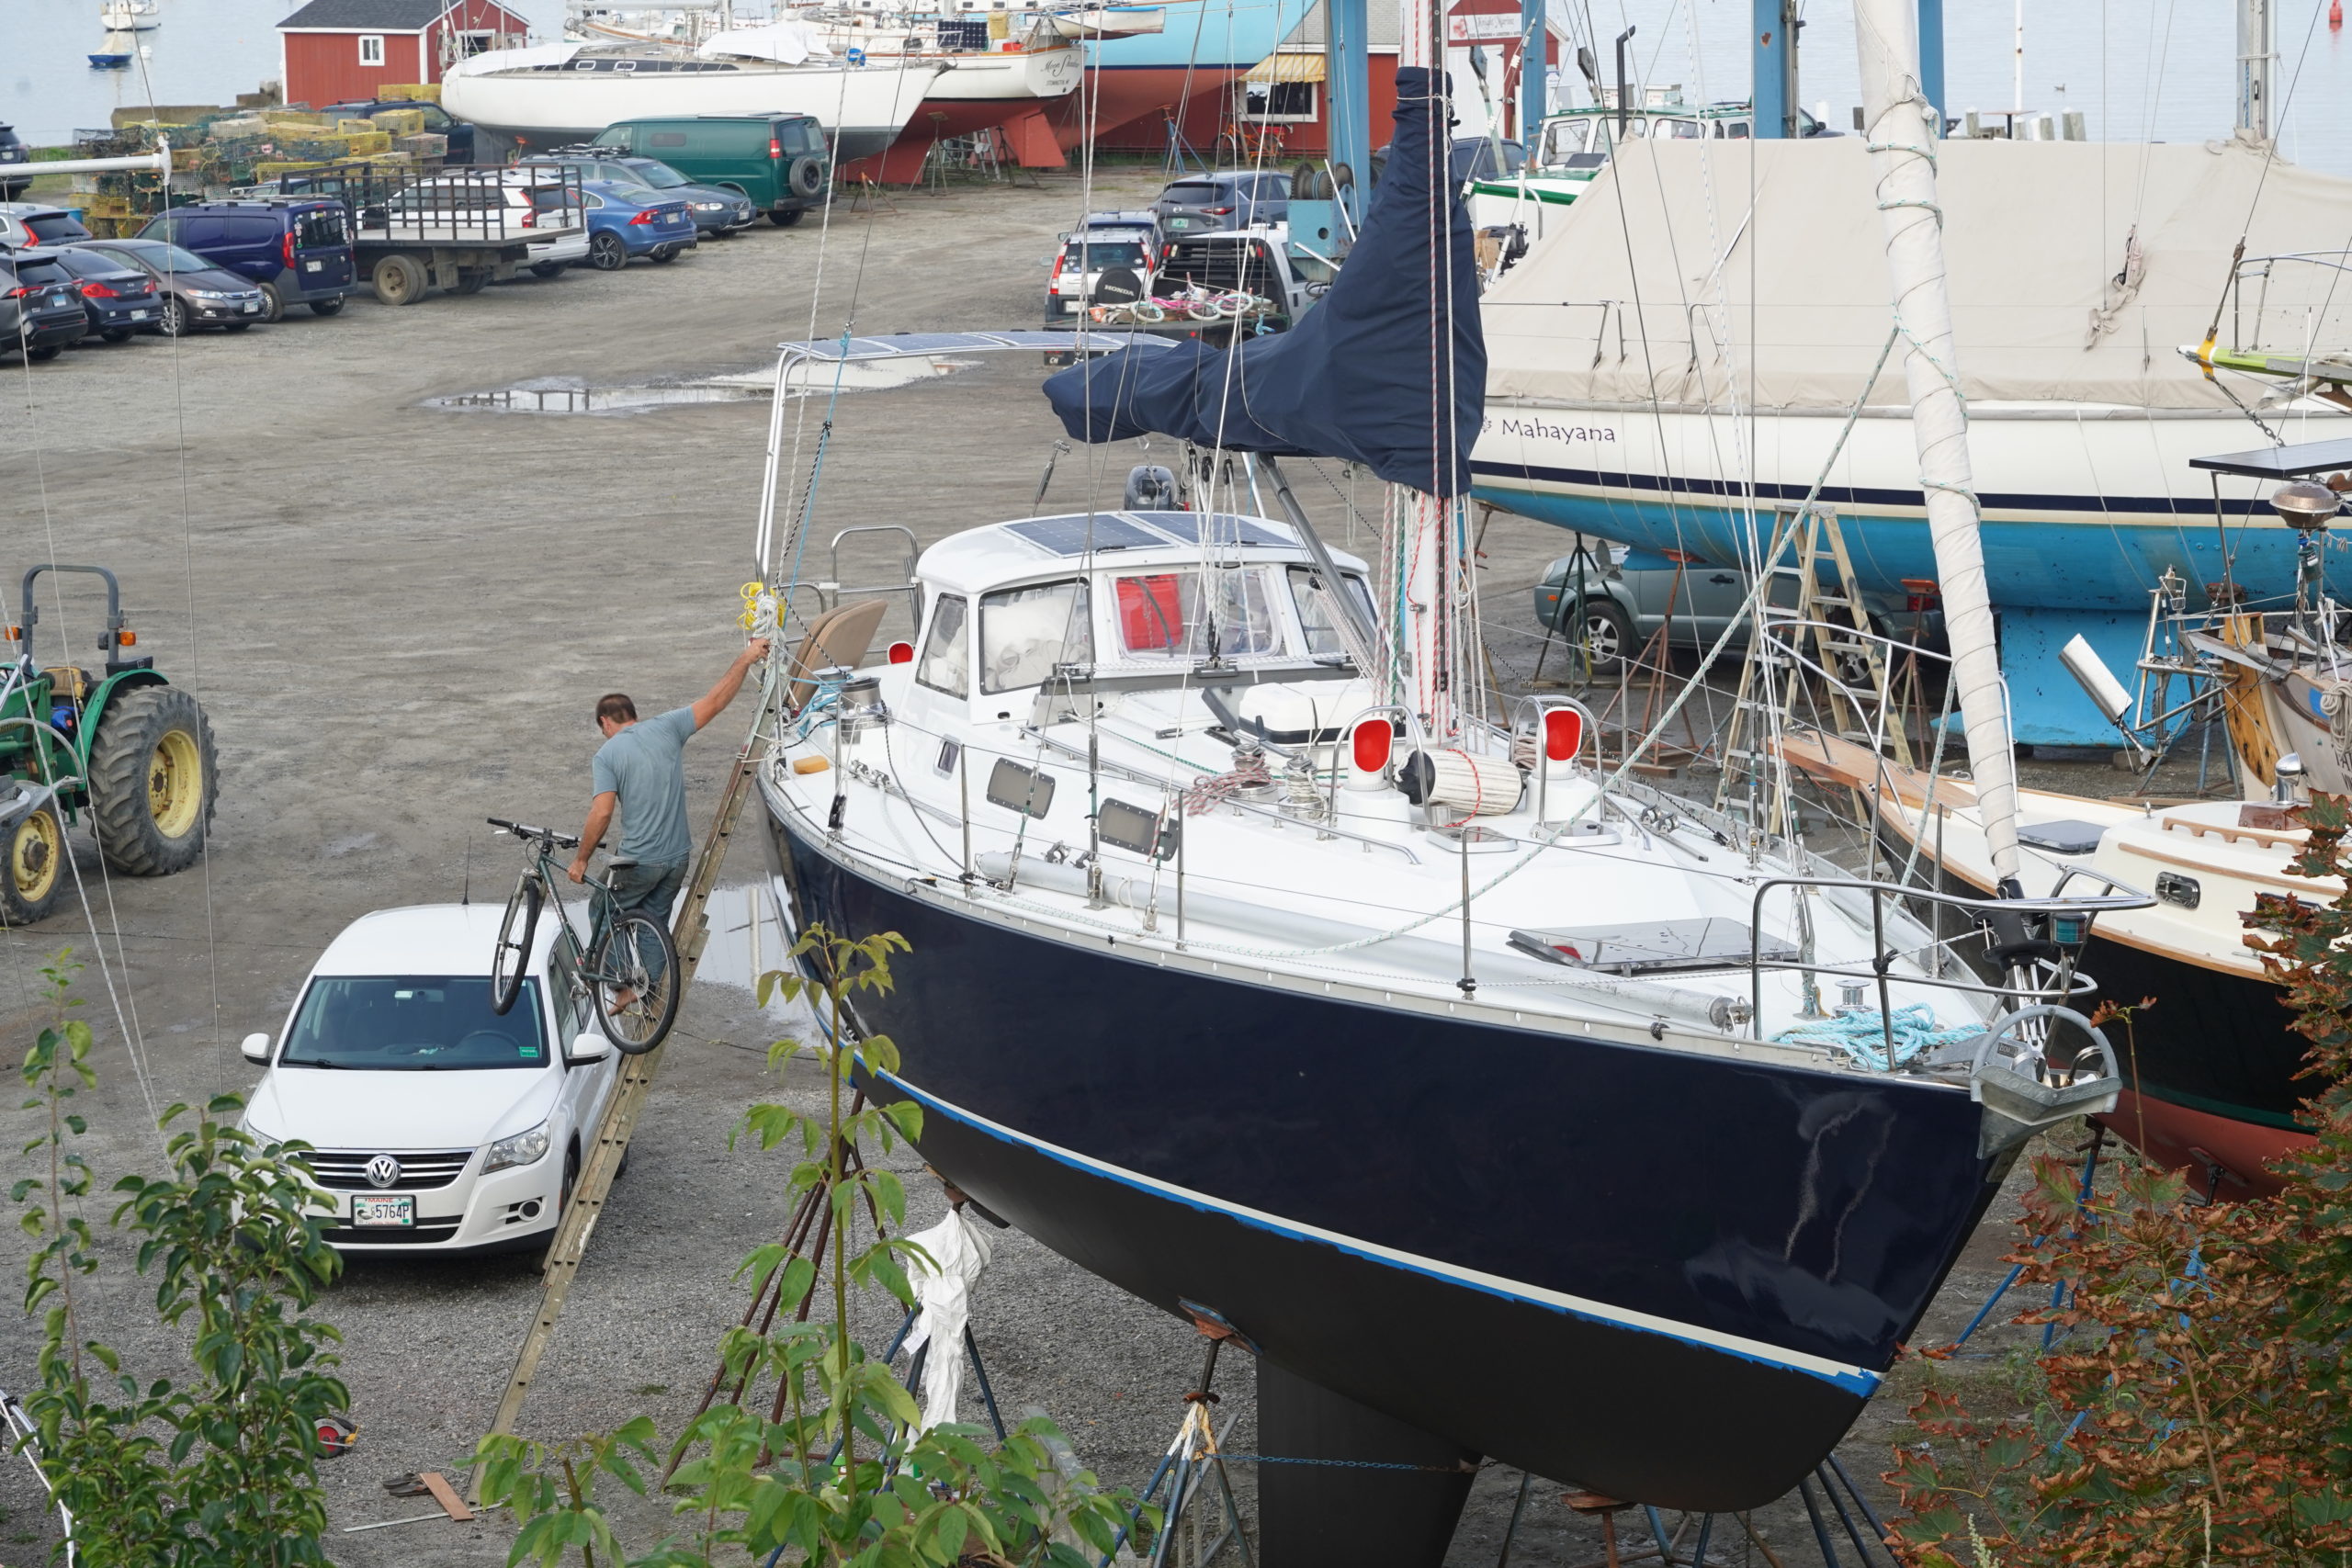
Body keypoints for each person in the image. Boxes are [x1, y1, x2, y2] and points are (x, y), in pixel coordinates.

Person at [569, 637, 772, 931]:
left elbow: (602, 813)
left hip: (640, 861)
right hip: (677, 859)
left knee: (603, 908)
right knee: (655, 922)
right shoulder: (668, 726)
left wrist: (580, 860)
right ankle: (649, 978)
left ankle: (610, 974)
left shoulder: (606, 755)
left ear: (605, 722)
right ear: (634, 716)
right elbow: (715, 701)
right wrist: (747, 657)